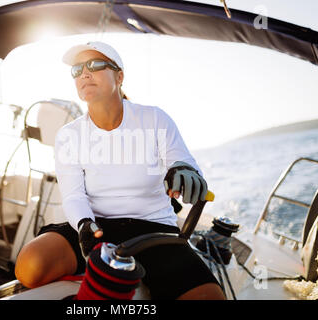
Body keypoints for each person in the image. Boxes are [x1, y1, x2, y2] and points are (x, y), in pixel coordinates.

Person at [15, 41, 225, 300]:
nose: (84, 73)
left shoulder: (154, 118)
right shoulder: (68, 135)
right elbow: (73, 196)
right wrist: (83, 225)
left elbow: (180, 159)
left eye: (95, 65)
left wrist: (185, 170)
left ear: (120, 76)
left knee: (208, 298)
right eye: (78, 69)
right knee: (30, 266)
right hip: (95, 226)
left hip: (154, 228)